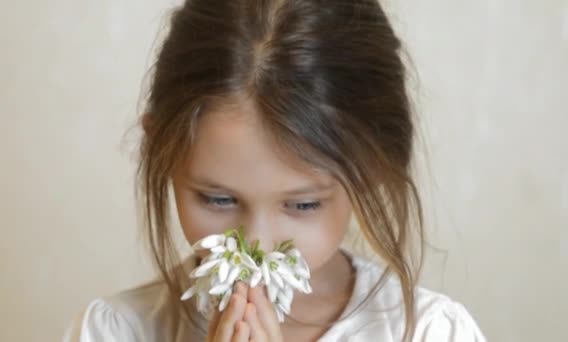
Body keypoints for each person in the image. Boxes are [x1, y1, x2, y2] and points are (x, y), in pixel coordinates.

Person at [63, 0, 487, 341]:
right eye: (218, 199)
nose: (255, 247)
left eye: (303, 204)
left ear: (373, 167)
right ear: (161, 151)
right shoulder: (113, 331)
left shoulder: (432, 332)